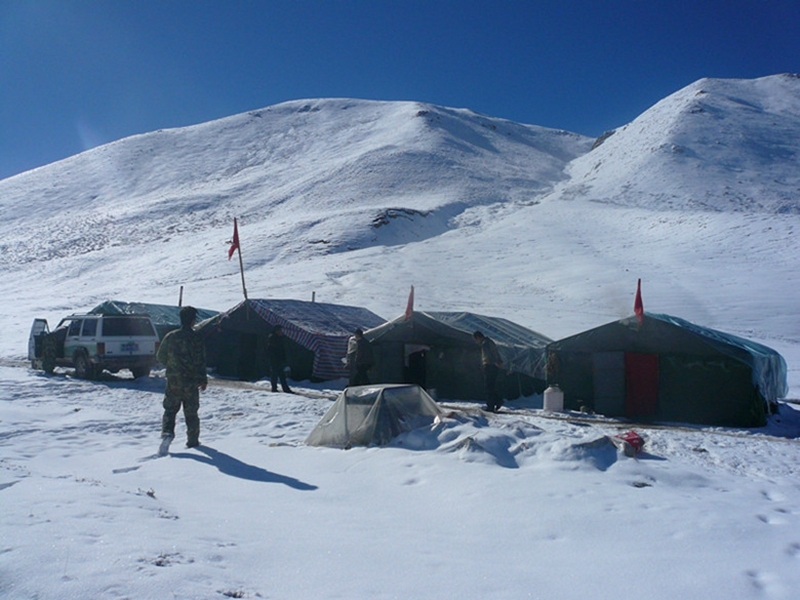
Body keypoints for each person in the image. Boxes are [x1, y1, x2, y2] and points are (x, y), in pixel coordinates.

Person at [157, 306, 207, 448]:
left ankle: (167, 433)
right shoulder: (197, 338)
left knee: (170, 410)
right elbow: (201, 361)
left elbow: (160, 356)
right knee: (191, 413)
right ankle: (193, 441)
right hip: (191, 382)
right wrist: (203, 379)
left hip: (174, 381)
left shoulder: (171, 336)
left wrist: (172, 365)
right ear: (192, 321)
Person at [473, 330, 504, 412]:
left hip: (489, 365)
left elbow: (489, 355)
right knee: (492, 385)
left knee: (488, 386)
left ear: (478, 337)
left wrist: (492, 362)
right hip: (494, 366)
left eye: (476, 339)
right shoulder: (490, 342)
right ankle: (497, 401)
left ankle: (491, 405)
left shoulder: (485, 344)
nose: (476, 341)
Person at [266, 325, 292, 393]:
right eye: (280, 330)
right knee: (275, 374)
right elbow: (273, 350)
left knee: (281, 374)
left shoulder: (279, 338)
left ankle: (284, 388)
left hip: (279, 359)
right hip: (274, 359)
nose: (281, 331)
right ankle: (275, 388)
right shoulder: (273, 338)